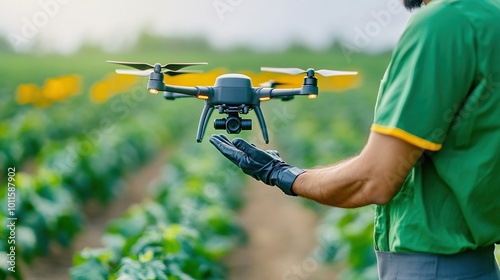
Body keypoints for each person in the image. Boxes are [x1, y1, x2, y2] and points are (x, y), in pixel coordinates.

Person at [209, 0, 500, 279]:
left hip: (429, 269)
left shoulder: (443, 23)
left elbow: (375, 179)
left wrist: (282, 175)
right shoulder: (491, 17)